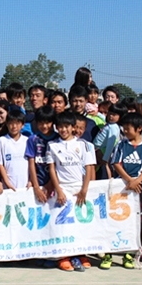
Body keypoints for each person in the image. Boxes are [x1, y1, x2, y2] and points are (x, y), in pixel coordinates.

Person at [47, 111, 96, 272]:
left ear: (72, 127)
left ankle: (81, 254)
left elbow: (89, 167)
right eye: (60, 127)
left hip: (79, 189)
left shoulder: (82, 145)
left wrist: (84, 189)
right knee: (64, 225)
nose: (63, 130)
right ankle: (64, 257)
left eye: (66, 126)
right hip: (63, 190)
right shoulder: (53, 146)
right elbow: (52, 169)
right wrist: (59, 190)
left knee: (81, 224)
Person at [106, 112, 142, 270]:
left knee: (136, 220)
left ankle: (130, 253)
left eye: (128, 128)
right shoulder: (121, 145)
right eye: (124, 128)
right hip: (121, 186)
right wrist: (128, 180)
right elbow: (116, 164)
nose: (125, 131)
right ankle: (109, 252)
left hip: (139, 188)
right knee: (115, 217)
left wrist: (136, 181)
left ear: (139, 128)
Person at [25, 106, 57, 203]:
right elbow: (31, 163)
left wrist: (51, 183)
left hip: (56, 183)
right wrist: (36, 187)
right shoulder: (33, 139)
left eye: (48, 123)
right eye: (41, 123)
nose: (44, 126)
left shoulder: (58, 138)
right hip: (38, 183)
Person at [0, 108, 29, 191]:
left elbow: (31, 163)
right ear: (6, 124)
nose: (14, 126)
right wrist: (7, 183)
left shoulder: (27, 141)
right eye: (11, 123)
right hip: (8, 187)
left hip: (26, 186)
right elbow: (0, 164)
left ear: (23, 124)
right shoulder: (1, 141)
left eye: (17, 123)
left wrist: (31, 181)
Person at [93, 102, 126, 179]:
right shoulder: (110, 124)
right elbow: (104, 117)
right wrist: (97, 114)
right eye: (110, 113)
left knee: (105, 166)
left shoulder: (113, 127)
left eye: (114, 115)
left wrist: (105, 158)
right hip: (98, 149)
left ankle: (109, 180)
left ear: (120, 117)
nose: (111, 116)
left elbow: (111, 143)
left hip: (102, 150)